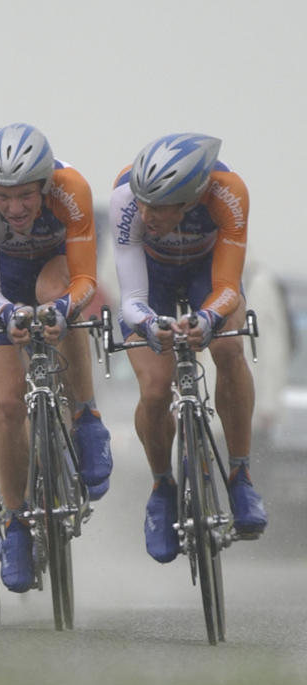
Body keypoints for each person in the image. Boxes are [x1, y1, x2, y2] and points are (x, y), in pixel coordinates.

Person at [0, 122, 113, 593]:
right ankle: (16, 521)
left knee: (54, 291)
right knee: (5, 405)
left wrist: (62, 309)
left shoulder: (72, 189)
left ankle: (85, 415)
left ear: (44, 185)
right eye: (3, 197)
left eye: (26, 195)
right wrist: (8, 313)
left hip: (56, 271)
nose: (15, 207)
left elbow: (85, 278)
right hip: (0, 291)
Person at [109, 132, 267, 563]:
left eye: (159, 206)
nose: (146, 213)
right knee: (156, 388)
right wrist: (147, 323)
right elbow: (131, 295)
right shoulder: (126, 197)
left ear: (194, 197)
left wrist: (208, 319)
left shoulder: (228, 192)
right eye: (142, 202)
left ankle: (240, 473)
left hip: (207, 274)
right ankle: (162, 486)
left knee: (229, 350)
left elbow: (227, 286)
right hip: (151, 284)